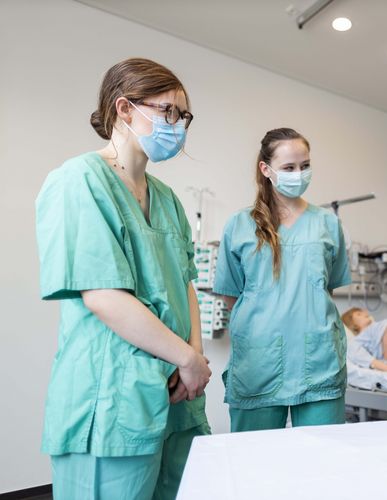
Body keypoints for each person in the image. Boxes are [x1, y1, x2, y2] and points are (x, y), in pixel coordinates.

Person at [35, 58, 211, 500]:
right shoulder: (79, 181)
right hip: (111, 396)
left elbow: (185, 281)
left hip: (175, 393)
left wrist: (194, 355)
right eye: (168, 111)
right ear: (125, 109)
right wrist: (186, 361)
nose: (178, 126)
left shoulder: (167, 199)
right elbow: (103, 295)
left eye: (183, 117)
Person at [214, 127, 351, 432]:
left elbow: (323, 289)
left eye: (305, 166)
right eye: (289, 168)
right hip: (258, 363)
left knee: (322, 464)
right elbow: (231, 294)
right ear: (266, 169)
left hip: (318, 361)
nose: (298, 174)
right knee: (253, 466)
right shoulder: (240, 225)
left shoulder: (328, 223)